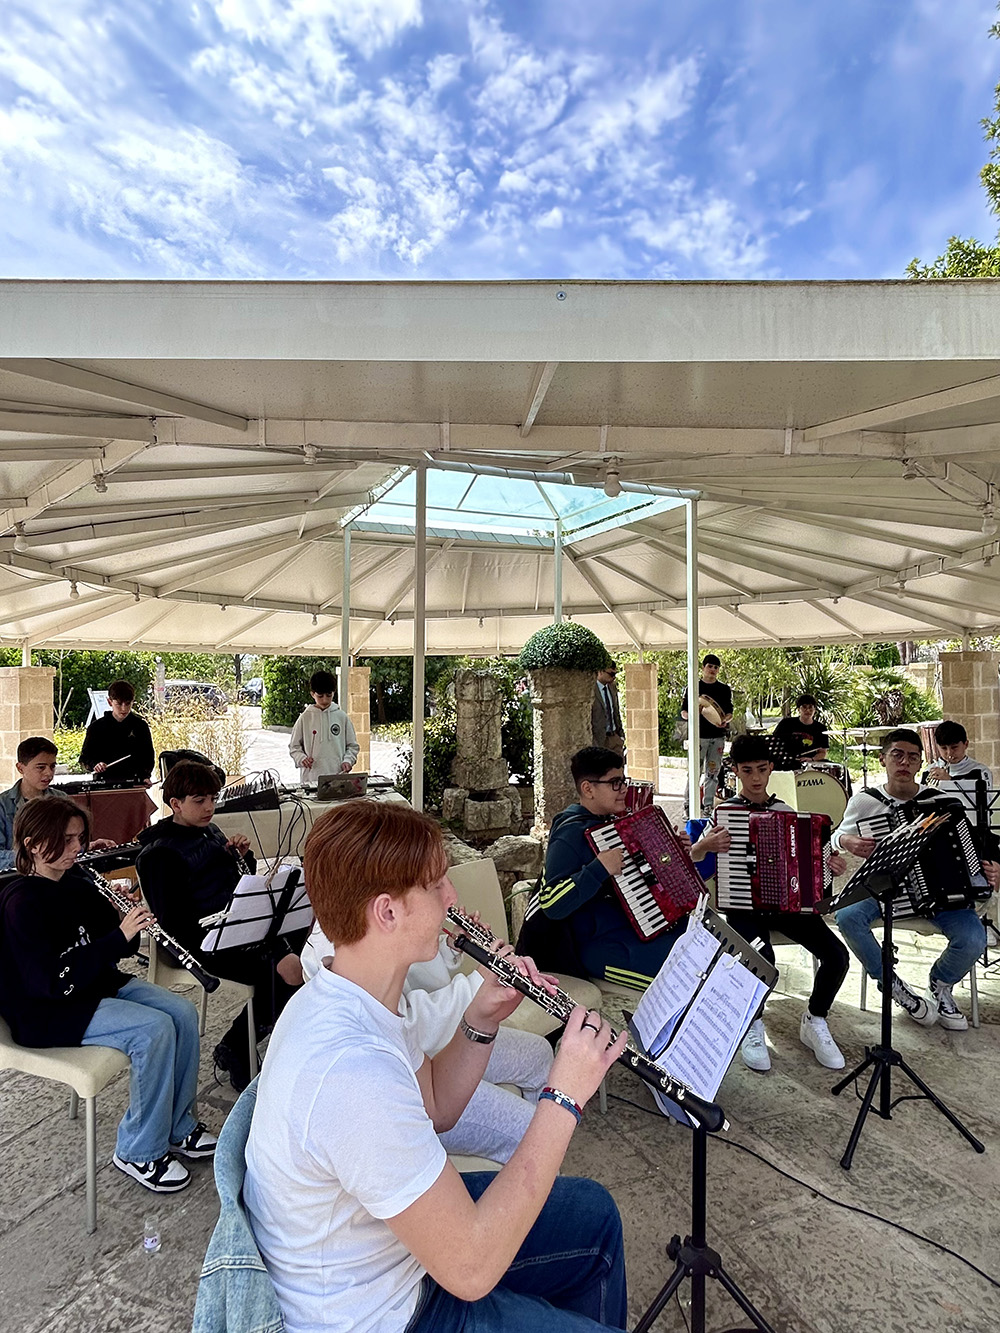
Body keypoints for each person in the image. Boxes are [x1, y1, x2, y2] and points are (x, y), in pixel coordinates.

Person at [243, 797, 628, 1333]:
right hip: (383, 1313)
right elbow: (471, 1269)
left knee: (594, 1214)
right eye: (435, 885)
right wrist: (563, 1097)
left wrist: (480, 1018)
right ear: (387, 912)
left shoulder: (358, 995)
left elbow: (437, 1105)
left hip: (395, 1250)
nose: (451, 896)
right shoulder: (352, 1072)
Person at [0, 793, 215, 1191]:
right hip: (48, 1010)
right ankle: (138, 1150)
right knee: (153, 1030)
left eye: (79, 838)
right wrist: (118, 936)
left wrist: (120, 917)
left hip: (95, 986)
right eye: (66, 840)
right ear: (33, 845)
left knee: (182, 1014)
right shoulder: (20, 902)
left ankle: (178, 1125)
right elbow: (51, 980)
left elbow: (119, 949)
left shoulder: (78, 882)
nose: (76, 848)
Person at [300, 920, 554, 1163]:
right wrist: (478, 983)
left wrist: (449, 947)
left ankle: (534, 1170)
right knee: (534, 1132)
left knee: (538, 1053)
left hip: (434, 1043)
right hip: (405, 1084)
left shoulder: (378, 913)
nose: (449, 898)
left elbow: (414, 975)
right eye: (435, 891)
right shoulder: (342, 953)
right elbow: (407, 1028)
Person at [135, 760, 305, 1091]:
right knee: (284, 972)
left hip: (233, 927)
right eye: (199, 800)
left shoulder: (210, 831)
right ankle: (236, 1047)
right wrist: (236, 924)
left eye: (213, 798)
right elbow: (175, 925)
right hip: (200, 943)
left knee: (304, 944)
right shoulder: (160, 854)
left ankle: (270, 1032)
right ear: (175, 804)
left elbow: (234, 882)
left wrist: (242, 858)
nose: (209, 807)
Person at [692, 734, 850, 1072]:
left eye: (762, 769)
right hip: (743, 905)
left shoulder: (786, 812)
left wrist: (829, 865)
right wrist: (703, 847)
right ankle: (753, 1022)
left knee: (837, 955)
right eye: (747, 770)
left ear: (771, 768)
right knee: (763, 960)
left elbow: (811, 867)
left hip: (788, 905)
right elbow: (694, 862)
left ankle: (815, 1018)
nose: (756, 778)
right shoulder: (724, 814)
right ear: (735, 771)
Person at [833, 728, 999, 1031]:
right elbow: (835, 837)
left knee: (974, 939)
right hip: (886, 889)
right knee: (847, 916)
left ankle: (940, 983)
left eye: (912, 757)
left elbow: (980, 842)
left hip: (941, 893)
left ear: (920, 763)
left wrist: (992, 866)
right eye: (897, 755)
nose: (904, 762)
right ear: (882, 759)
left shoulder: (942, 801)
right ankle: (891, 983)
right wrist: (846, 841)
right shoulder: (864, 802)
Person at [520, 746, 688, 992]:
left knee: (694, 940)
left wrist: (672, 852)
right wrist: (598, 868)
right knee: (681, 976)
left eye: (623, 781)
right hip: (587, 948)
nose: (624, 790)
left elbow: (643, 880)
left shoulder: (614, 824)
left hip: (628, 928)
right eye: (615, 783)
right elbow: (551, 903)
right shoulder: (569, 833)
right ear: (588, 789)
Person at [680, 654, 733, 816]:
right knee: (694, 772)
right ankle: (689, 805)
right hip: (698, 736)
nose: (713, 670)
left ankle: (708, 806)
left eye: (716, 667)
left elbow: (729, 712)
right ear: (703, 668)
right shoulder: (693, 687)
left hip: (717, 736)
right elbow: (684, 712)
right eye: (710, 666)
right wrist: (694, 714)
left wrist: (724, 720)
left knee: (713, 773)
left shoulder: (724, 689)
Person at [289, 668, 359, 784]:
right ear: (312, 694)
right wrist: (302, 759)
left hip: (338, 776)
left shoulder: (341, 717)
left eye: (328, 695)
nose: (325, 700)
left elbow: (352, 746)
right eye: (320, 696)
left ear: (333, 693)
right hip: (311, 778)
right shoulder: (305, 718)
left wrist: (348, 760)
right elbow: (294, 747)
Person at [0, 736, 60, 871]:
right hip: (17, 876)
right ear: (20, 768)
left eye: (52, 766)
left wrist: (87, 846)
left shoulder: (62, 800)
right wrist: (36, 855)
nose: (49, 773)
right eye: (41, 767)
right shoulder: (2, 805)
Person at [79, 680, 155, 784]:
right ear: (109, 702)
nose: (124, 709)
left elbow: (148, 757)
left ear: (133, 702)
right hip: (104, 782)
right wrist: (95, 765)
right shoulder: (96, 728)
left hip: (133, 781)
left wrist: (145, 776)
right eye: (119, 704)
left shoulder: (140, 726)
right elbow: (84, 758)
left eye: (128, 704)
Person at [771, 694, 830, 762]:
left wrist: (812, 759)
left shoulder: (821, 728)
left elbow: (822, 752)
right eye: (804, 707)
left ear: (815, 710)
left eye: (810, 707)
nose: (808, 710)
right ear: (798, 709)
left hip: (810, 762)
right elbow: (774, 743)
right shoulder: (786, 723)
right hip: (787, 761)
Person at [592, 661, 625, 756]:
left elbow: (616, 711)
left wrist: (621, 736)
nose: (614, 677)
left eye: (615, 674)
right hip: (599, 740)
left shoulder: (612, 687)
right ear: (600, 672)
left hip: (614, 737)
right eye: (611, 674)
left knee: (618, 764)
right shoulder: (592, 690)